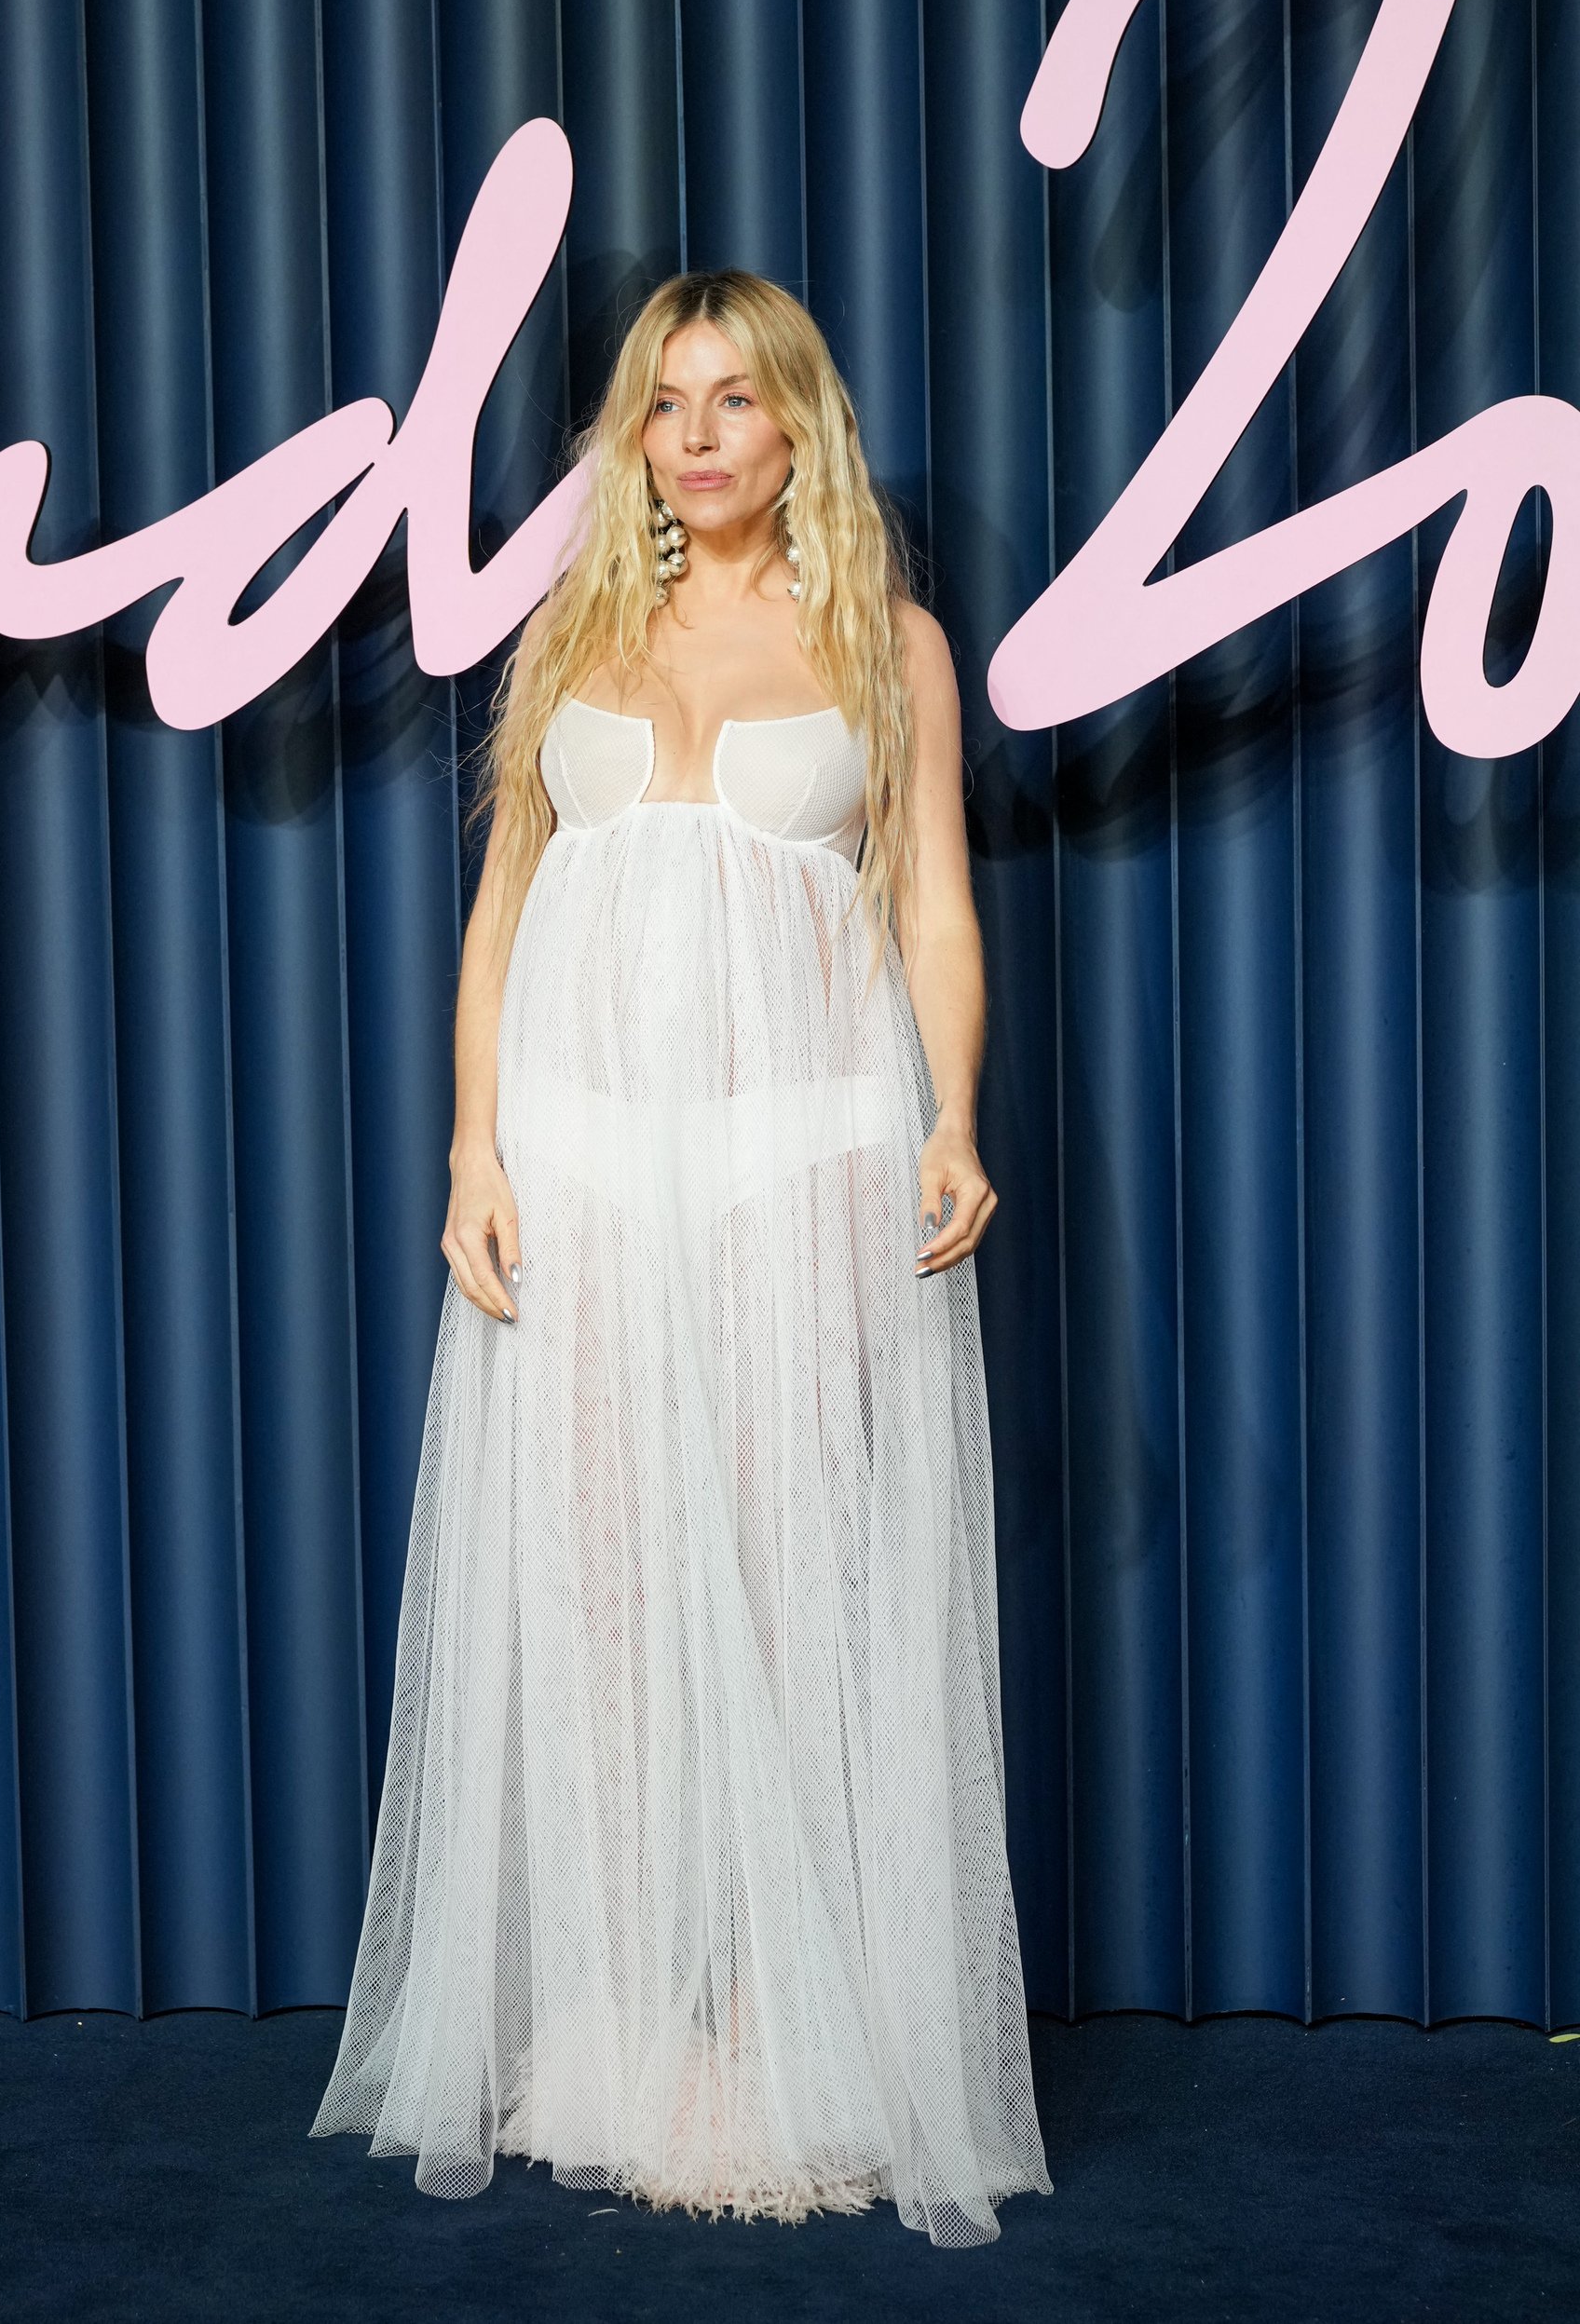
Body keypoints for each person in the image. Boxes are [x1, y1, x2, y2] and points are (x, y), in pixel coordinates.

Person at [310, 269, 1052, 2249]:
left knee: (798, 1593)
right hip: (584, 1160)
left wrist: (953, 1121)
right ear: (634, 436)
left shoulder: (888, 642)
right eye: (666, 401)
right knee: (607, 1596)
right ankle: (634, 2022)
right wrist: (472, 1146)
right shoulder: (574, 625)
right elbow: (503, 905)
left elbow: (934, 909)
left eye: (736, 398)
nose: (700, 434)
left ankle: (779, 2034)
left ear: (799, 424)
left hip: (799, 1158)